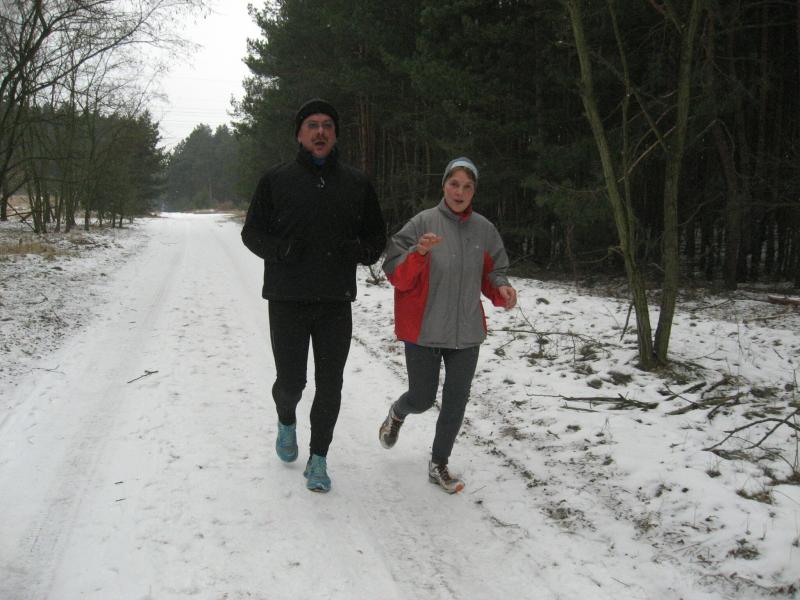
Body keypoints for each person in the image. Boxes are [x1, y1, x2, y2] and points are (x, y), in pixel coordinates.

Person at [242, 98, 386, 493]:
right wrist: (281, 250)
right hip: (287, 299)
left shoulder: (356, 183)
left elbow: (376, 238)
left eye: (327, 125)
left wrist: (357, 251)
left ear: (335, 134)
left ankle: (318, 459)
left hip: (335, 301)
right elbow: (251, 233)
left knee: (330, 384)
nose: (320, 132)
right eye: (312, 125)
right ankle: (286, 419)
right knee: (292, 383)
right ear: (300, 134)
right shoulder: (276, 180)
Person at [379, 157, 517, 494]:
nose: (460, 192)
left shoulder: (484, 230)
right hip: (424, 330)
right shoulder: (422, 222)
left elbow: (493, 272)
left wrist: (502, 289)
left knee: (456, 402)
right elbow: (396, 273)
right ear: (444, 185)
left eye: (467, 187)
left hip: (466, 332)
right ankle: (398, 412)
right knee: (422, 398)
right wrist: (419, 253)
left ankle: (438, 464)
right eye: (454, 184)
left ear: (474, 192)